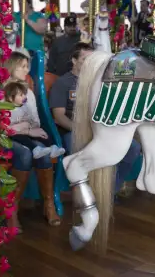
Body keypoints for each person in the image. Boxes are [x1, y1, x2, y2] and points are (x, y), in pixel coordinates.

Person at [49, 42, 141, 192]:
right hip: (72, 129)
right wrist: (81, 130)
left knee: (133, 148)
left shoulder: (98, 82)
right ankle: (86, 191)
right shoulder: (63, 83)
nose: (90, 64)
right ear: (74, 60)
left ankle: (111, 189)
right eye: (85, 59)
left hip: (100, 129)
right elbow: (59, 116)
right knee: (77, 147)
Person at [0, 51, 61, 231]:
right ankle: (12, 210)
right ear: (11, 67)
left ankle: (48, 204)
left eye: (27, 66)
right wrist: (20, 126)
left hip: (24, 135)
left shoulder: (27, 92)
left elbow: (34, 121)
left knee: (43, 153)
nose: (26, 70)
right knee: (26, 153)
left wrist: (24, 127)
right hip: (0, 137)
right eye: (22, 66)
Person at [4, 80, 65, 159]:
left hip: (26, 129)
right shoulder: (7, 110)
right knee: (21, 137)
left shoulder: (25, 107)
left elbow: (31, 120)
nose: (24, 97)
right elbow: (7, 127)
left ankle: (52, 147)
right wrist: (22, 126)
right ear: (10, 98)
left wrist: (30, 125)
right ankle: (35, 149)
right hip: (15, 133)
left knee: (41, 134)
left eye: (24, 94)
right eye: (21, 95)